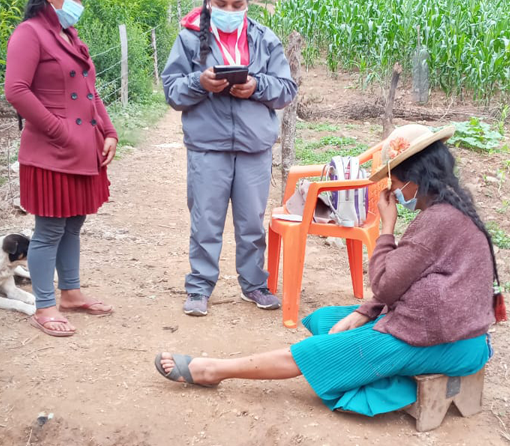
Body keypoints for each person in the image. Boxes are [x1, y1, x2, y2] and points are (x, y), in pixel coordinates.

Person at [154, 124, 505, 415]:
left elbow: (385, 286)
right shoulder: (450, 209)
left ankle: (212, 370)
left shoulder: (437, 222)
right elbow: (404, 282)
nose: (395, 195)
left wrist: (386, 228)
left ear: (415, 178)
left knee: (316, 352)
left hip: (448, 342)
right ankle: (357, 363)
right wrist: (363, 313)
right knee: (327, 320)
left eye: (396, 186)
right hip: (443, 330)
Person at [161, 0, 297, 317]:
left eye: (238, 4)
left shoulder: (265, 39)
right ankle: (199, 288)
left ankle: (254, 285)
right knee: (206, 220)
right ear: (208, 2)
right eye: (222, 3)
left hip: (255, 147)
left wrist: (257, 87)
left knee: (252, 221)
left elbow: (286, 89)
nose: (230, 11)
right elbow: (173, 92)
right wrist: (198, 83)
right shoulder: (189, 39)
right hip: (208, 147)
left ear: (248, 3)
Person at [5, 0, 118, 337]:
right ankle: (44, 304)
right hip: (51, 151)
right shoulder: (29, 33)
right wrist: (59, 130)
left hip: (82, 148)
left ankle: (70, 293)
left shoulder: (71, 38)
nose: (79, 5)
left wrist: (110, 132)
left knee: (73, 224)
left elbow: (91, 94)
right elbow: (16, 91)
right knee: (49, 229)